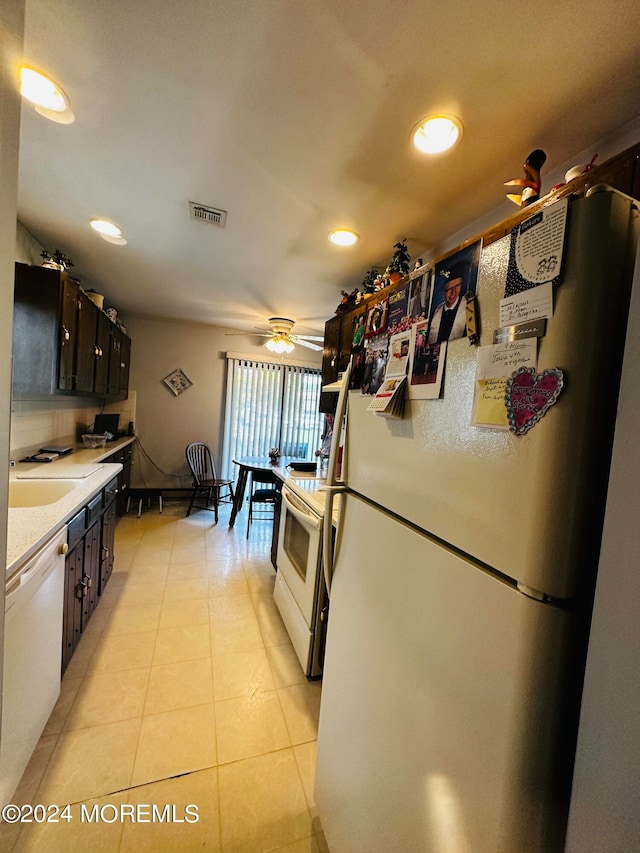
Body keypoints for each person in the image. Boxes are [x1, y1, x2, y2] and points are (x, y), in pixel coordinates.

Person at [428, 262, 468, 343]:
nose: (453, 292)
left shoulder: (469, 309)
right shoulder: (434, 313)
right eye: (449, 289)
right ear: (443, 292)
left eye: (457, 286)